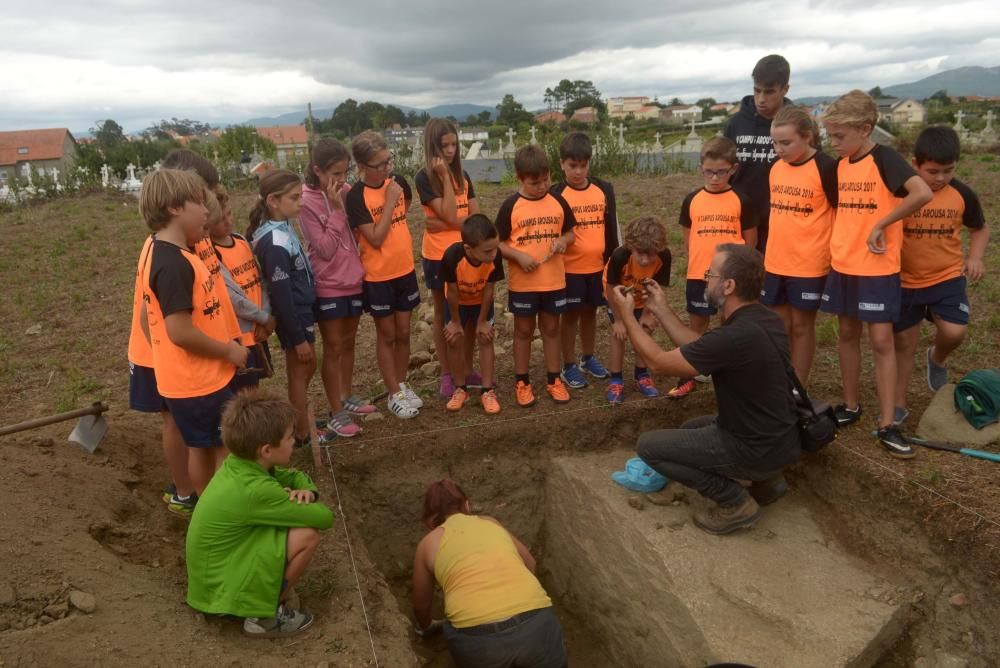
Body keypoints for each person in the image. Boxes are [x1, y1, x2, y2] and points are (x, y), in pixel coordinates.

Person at [607, 244, 800, 535]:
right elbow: (699, 348)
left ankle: (735, 501)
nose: (705, 279)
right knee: (690, 427)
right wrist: (660, 308)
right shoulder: (763, 319)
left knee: (650, 447)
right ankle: (767, 482)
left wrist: (627, 316)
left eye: (711, 274)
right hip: (780, 439)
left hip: (753, 447)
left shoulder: (734, 336)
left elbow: (657, 364)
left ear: (729, 285)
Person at [819, 90, 933, 458]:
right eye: (831, 136)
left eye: (840, 137)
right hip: (843, 264)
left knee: (881, 341)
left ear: (866, 128)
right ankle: (851, 405)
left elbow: (922, 192)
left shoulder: (885, 159)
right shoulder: (841, 165)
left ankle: (888, 424)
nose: (833, 144)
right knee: (847, 334)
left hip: (877, 268)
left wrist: (883, 223)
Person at [186, 388, 333, 638]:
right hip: (219, 591)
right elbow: (324, 517)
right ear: (266, 450)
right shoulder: (256, 489)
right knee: (307, 535)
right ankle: (263, 616)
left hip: (213, 578)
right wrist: (297, 497)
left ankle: (261, 598)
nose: (294, 441)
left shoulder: (239, 463)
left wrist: (306, 491)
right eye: (288, 438)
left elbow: (294, 475)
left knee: (285, 527)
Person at [139, 169, 248, 496]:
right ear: (174, 207)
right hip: (199, 382)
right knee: (223, 451)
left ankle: (205, 508)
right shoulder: (173, 264)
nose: (206, 211)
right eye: (199, 203)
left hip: (190, 379)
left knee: (201, 446)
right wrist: (228, 351)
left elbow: (149, 321)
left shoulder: (171, 252)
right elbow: (179, 331)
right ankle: (223, 516)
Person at [411, 479, 568, 668]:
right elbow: (530, 563)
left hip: (480, 641)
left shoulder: (427, 545)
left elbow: (421, 605)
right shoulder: (490, 522)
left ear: (429, 520)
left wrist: (427, 626)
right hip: (537, 626)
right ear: (467, 505)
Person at [894, 126, 988, 422]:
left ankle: (936, 358)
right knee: (904, 346)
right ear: (915, 164)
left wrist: (975, 256)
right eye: (932, 171)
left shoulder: (961, 193)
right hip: (904, 282)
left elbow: (980, 228)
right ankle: (897, 404)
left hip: (946, 277)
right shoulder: (900, 193)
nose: (940, 178)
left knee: (955, 331)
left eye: (948, 171)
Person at [299, 138, 375, 439]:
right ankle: (335, 411)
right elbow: (325, 249)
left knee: (349, 341)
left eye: (345, 173)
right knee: (333, 346)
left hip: (352, 279)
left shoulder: (345, 191)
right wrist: (335, 210)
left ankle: (346, 395)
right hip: (328, 283)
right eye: (335, 173)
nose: (341, 180)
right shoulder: (305, 203)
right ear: (318, 170)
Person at [346, 130, 423, 419]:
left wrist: (393, 199)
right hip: (378, 276)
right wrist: (389, 202)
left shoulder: (399, 182)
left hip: (405, 269)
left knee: (404, 332)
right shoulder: (356, 196)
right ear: (363, 167)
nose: (388, 168)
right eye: (380, 164)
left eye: (388, 161)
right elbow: (376, 238)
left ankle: (401, 387)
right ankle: (392, 392)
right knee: (387, 334)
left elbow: (404, 216)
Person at [672, 137, 756, 398]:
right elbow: (688, 237)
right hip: (700, 275)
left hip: (732, 278)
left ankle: (730, 372)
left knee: (731, 326)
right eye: (709, 171)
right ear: (700, 167)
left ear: (733, 168)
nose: (715, 177)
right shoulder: (692, 199)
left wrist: (739, 271)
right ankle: (688, 375)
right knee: (697, 326)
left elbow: (750, 240)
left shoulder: (742, 200)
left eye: (721, 171)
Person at [760, 105, 838, 385]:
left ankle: (799, 386)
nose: (779, 149)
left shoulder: (827, 168)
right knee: (780, 327)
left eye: (786, 142)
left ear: (807, 137)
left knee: (803, 327)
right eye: (775, 143)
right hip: (775, 261)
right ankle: (781, 379)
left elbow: (841, 214)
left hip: (809, 264)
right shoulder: (776, 169)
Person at [496, 145, 576, 407]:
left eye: (545, 180)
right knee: (523, 330)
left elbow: (570, 233)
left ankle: (554, 379)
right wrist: (518, 256)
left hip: (554, 281)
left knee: (552, 329)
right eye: (534, 183)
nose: (542, 186)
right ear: (519, 178)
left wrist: (564, 241)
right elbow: (496, 243)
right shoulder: (511, 206)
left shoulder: (558, 201)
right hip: (524, 284)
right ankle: (522, 381)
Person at [248, 169, 317, 449]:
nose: (301, 202)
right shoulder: (273, 242)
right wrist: (297, 336)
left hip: (302, 311)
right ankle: (300, 433)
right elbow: (282, 294)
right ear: (274, 201)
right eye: (295, 197)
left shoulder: (283, 227)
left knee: (307, 367)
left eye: (301, 195)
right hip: (295, 316)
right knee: (300, 372)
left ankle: (298, 424)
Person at [414, 118, 481, 398]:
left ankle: (465, 369)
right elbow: (457, 215)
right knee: (442, 313)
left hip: (465, 253)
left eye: (454, 144)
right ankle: (446, 373)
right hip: (437, 256)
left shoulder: (464, 178)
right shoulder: (425, 178)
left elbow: (474, 219)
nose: (451, 151)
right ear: (433, 147)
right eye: (445, 146)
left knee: (466, 315)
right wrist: (443, 179)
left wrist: (447, 223)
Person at [550, 132, 619, 390]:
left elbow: (611, 228)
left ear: (589, 163)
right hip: (569, 269)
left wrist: (613, 261)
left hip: (597, 267)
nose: (578, 171)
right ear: (562, 164)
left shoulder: (604, 189)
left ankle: (587, 357)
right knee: (569, 317)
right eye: (572, 166)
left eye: (583, 165)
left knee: (591, 313)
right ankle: (568, 365)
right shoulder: (556, 194)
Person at [207, 184, 275, 393]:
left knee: (255, 386)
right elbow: (231, 298)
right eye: (220, 219)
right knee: (243, 393)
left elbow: (260, 279)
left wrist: (266, 313)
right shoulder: (211, 254)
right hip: (240, 337)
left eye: (229, 214)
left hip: (258, 331)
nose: (228, 222)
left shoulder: (241, 241)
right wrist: (261, 317)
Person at [724, 54, 792, 253]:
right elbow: (724, 168)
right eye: (757, 90)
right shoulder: (736, 124)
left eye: (769, 92)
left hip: (782, 223)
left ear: (785, 89)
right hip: (739, 221)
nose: (761, 99)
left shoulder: (797, 126)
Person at [603, 216, 672, 404]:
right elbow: (610, 289)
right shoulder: (619, 256)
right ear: (630, 246)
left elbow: (657, 286)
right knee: (620, 334)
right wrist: (618, 320)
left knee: (645, 331)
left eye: (651, 254)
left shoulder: (664, 256)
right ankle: (616, 380)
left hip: (643, 295)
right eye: (640, 253)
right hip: (619, 296)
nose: (644, 259)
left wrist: (649, 313)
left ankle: (641, 375)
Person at [440, 214, 505, 414]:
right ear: (469, 248)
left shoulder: (495, 257)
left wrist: (483, 321)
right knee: (454, 339)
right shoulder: (452, 256)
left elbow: (489, 290)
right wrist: (455, 322)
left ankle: (487, 390)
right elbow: (451, 291)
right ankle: (460, 388)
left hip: (481, 302)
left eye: (495, 247)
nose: (493, 253)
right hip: (456, 303)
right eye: (487, 250)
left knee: (486, 338)